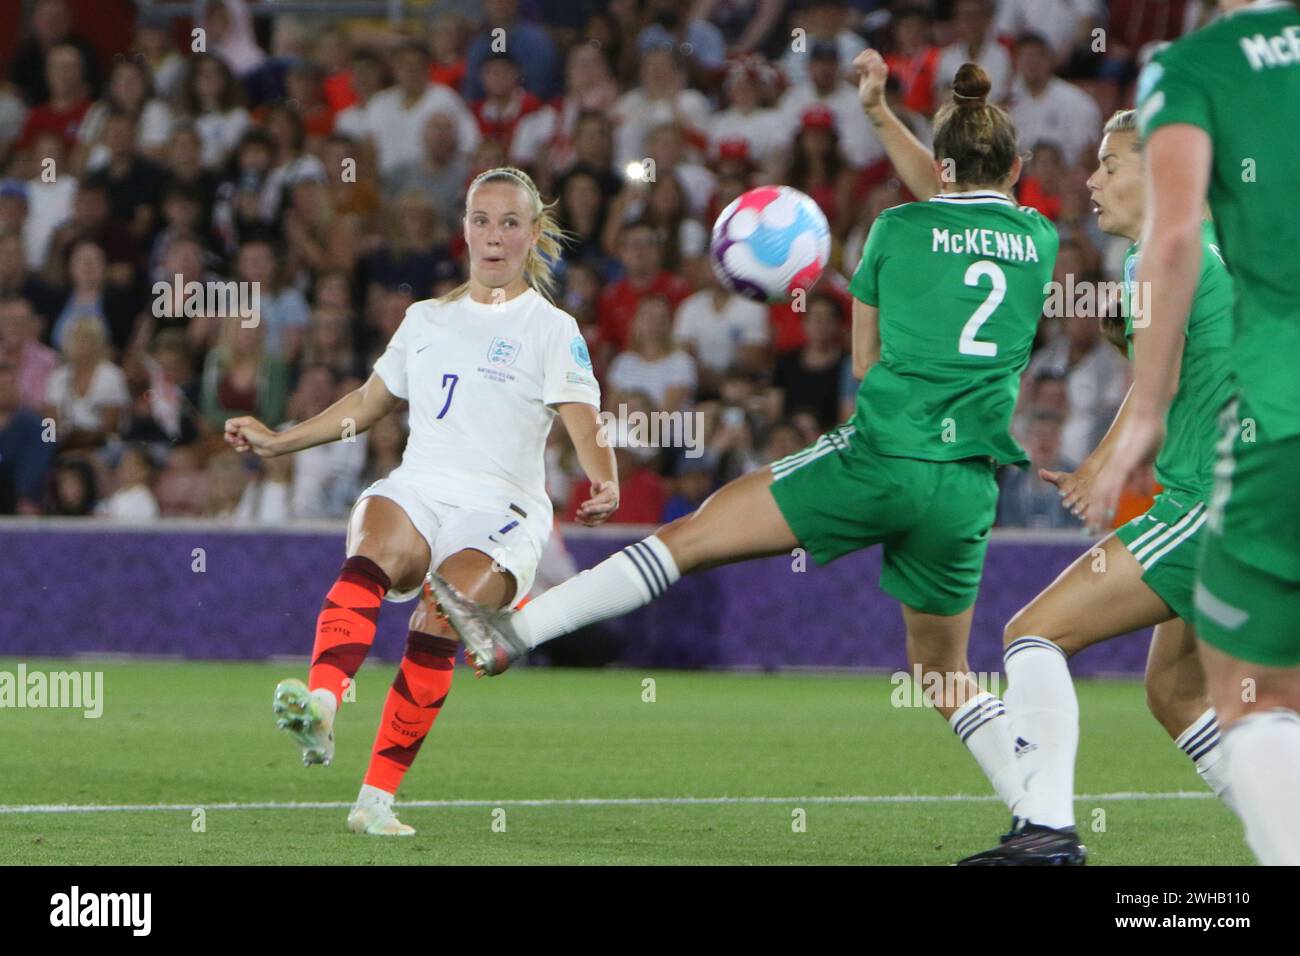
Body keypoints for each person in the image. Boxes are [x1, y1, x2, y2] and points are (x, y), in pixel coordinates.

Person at [429, 60, 1059, 847]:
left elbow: (864, 363)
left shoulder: (897, 230)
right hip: (968, 488)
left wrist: (878, 111)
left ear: (938, 169)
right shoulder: (1039, 237)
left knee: (687, 541)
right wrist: (878, 117)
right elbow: (957, 197)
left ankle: (515, 632)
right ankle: (1042, 820)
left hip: (883, 459)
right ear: (1019, 171)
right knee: (942, 673)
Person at [223, 166, 615, 836]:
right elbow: (370, 404)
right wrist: (280, 441)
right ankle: (321, 706)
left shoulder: (552, 329)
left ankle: (375, 798)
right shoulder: (425, 318)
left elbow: (582, 419)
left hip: (503, 510)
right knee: (375, 549)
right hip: (422, 484)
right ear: (463, 229)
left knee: (439, 617)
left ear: (532, 234)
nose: (494, 236)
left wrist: (602, 477)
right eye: (481, 220)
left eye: (510, 222)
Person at [961, 109, 1236, 864]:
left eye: (1111, 165)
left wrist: (1097, 469)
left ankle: (1046, 832)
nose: (1092, 180)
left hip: (1213, 506)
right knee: (1177, 695)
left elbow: (1161, 384)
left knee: (1033, 632)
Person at [1086, 0, 1300, 867]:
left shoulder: (1195, 67)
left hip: (1276, 427)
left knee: (1257, 692)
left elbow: (1173, 240)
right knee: (1176, 688)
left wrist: (1143, 411)